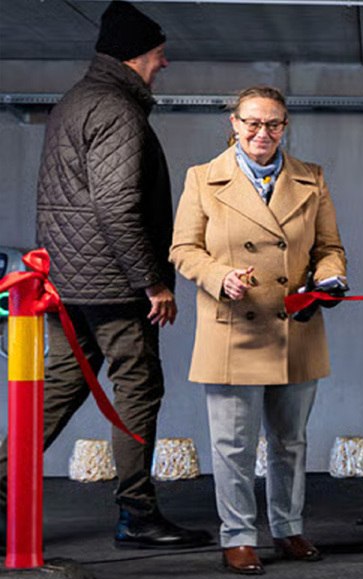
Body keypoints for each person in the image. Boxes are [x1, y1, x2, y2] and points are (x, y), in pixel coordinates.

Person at [0, 0, 211, 550]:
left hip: (72, 282)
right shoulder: (117, 110)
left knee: (60, 390)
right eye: (159, 55)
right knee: (139, 387)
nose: (163, 64)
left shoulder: (75, 101)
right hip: (116, 284)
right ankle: (137, 513)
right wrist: (153, 282)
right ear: (135, 56)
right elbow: (116, 205)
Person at [170, 86, 348, 575]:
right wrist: (217, 277)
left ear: (285, 127)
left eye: (273, 124)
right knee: (233, 445)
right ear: (233, 123)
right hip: (234, 326)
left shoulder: (311, 179)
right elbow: (183, 249)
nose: (261, 133)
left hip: (295, 323)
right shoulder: (204, 179)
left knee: (291, 440)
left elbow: (329, 247)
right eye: (251, 123)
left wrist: (331, 275)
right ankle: (239, 536)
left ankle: (288, 529)